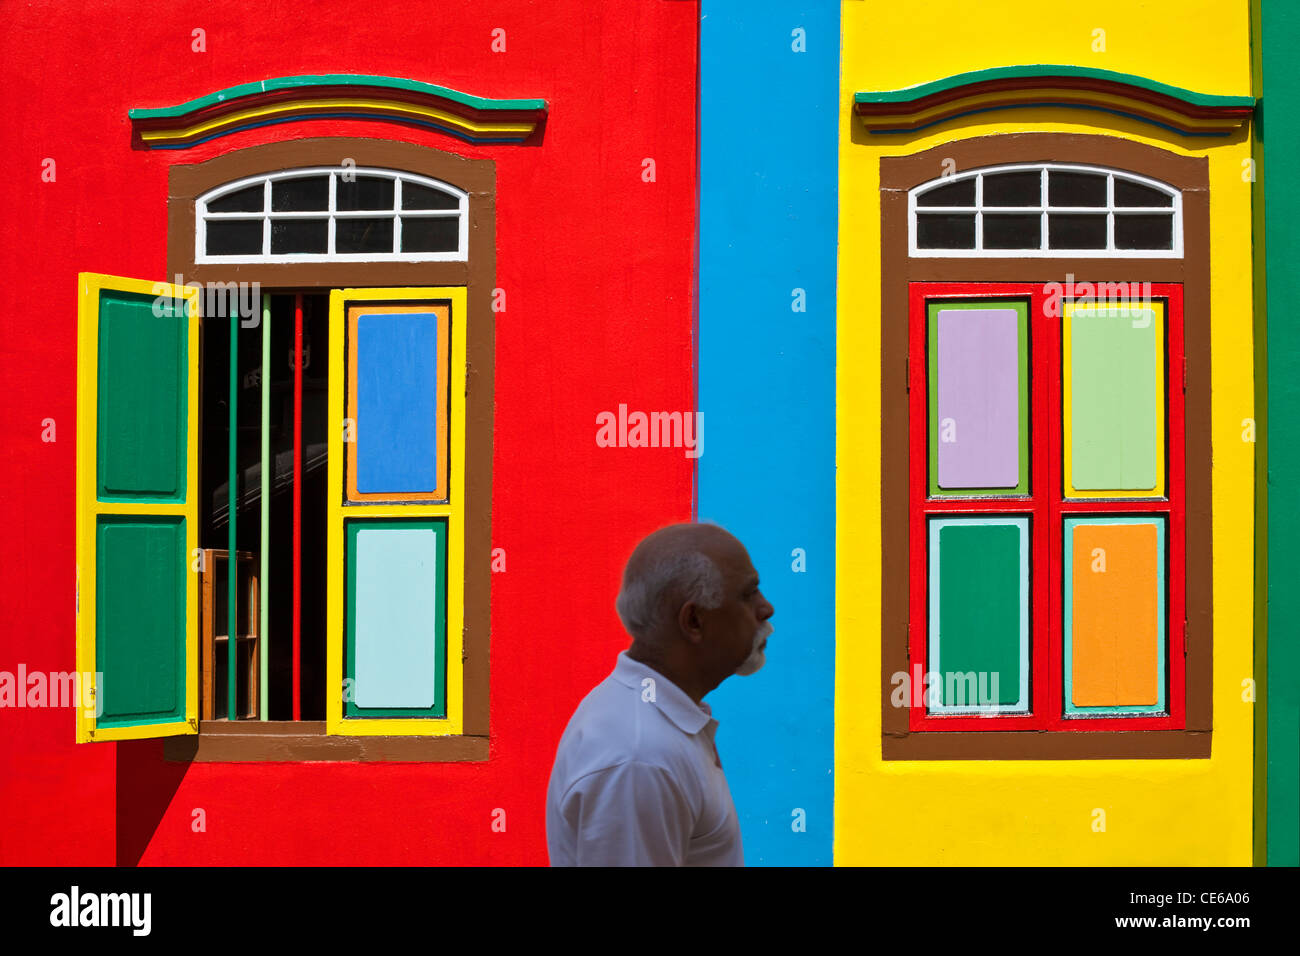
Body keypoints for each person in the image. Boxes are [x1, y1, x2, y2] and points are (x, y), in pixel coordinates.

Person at [545, 521, 775, 866]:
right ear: (694, 621)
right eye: (747, 594)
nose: (766, 608)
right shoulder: (639, 756)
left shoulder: (652, 725)